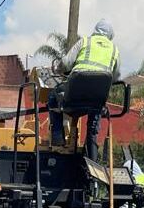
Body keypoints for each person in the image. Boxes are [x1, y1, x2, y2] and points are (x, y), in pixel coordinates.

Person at [49, 20, 120, 160]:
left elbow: (66, 63)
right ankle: (92, 155)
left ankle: (58, 137)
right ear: (110, 35)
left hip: (74, 96)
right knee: (94, 120)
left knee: (53, 96)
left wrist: (58, 69)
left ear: (95, 30)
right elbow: (116, 75)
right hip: (96, 100)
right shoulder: (114, 49)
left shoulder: (85, 42)